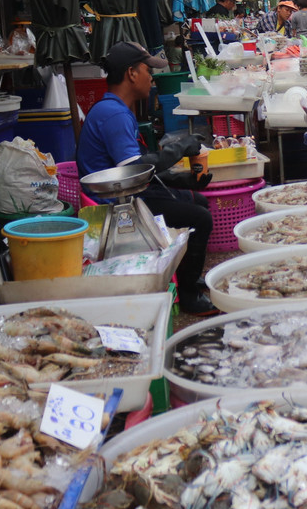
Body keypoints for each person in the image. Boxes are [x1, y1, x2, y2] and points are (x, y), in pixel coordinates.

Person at [76, 41, 216, 316]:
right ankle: (187, 295)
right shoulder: (114, 114)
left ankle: (186, 275)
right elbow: (134, 170)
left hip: (129, 191)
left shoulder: (115, 109)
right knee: (200, 217)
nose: (152, 77)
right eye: (147, 70)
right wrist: (180, 148)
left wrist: (185, 180)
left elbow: (140, 169)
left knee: (198, 200)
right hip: (115, 203)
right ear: (131, 73)